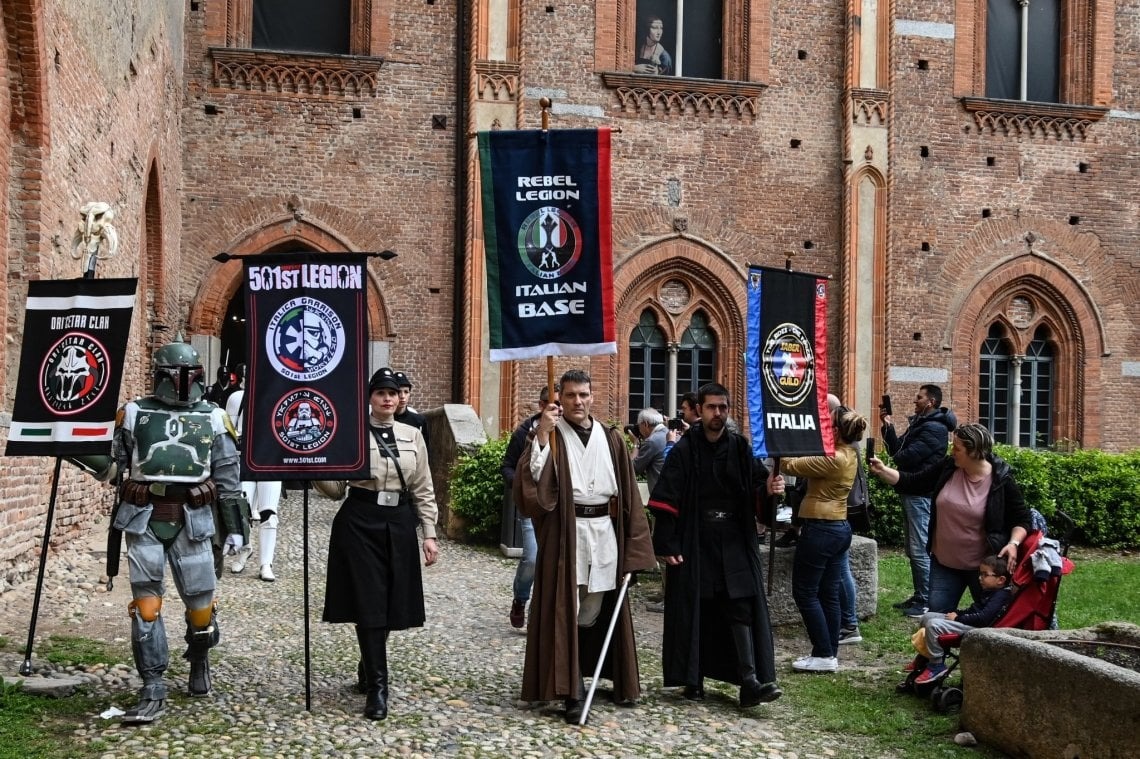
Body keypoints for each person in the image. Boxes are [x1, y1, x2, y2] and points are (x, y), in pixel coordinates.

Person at [66, 339, 248, 724]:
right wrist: (73, 448)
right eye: (175, 375)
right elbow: (115, 466)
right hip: (144, 514)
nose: (182, 382)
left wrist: (235, 528)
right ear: (160, 376)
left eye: (189, 374)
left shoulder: (214, 417)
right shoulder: (134, 413)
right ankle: (152, 684)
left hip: (195, 519)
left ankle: (199, 659)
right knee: (146, 607)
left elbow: (228, 478)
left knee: (200, 608)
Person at [514, 369, 656, 724]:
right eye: (571, 395)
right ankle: (571, 688)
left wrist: (634, 548)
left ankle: (580, 672)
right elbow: (534, 490)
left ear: (593, 397)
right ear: (559, 398)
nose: (578, 401)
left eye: (584, 395)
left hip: (604, 531)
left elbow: (629, 498)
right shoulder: (550, 436)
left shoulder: (611, 439)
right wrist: (543, 434)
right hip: (568, 531)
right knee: (568, 604)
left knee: (592, 608)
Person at [647, 382, 784, 707]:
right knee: (699, 606)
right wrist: (667, 543)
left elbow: (755, 487)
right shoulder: (684, 448)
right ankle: (692, 679)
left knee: (740, 604)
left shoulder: (738, 446)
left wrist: (768, 487)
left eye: (723, 408)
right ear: (701, 409)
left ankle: (750, 681)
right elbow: (667, 495)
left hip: (735, 538)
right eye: (712, 407)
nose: (718, 413)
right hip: (696, 539)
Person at [315, 367, 439, 721]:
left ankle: (367, 663)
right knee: (369, 600)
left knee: (390, 602)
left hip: (398, 522)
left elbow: (423, 487)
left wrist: (429, 533)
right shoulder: (351, 433)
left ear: (400, 398)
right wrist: (315, 468)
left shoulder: (413, 435)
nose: (388, 398)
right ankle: (377, 688)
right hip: (359, 520)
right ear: (370, 397)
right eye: (380, 392)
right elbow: (336, 489)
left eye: (393, 393)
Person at [869, 423, 1030, 616]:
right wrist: (883, 470)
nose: (952, 451)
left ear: (974, 451)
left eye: (957, 448)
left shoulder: (1001, 480)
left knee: (990, 621)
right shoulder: (948, 467)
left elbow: (1022, 518)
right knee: (936, 617)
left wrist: (1013, 542)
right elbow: (913, 481)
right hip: (944, 563)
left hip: (983, 568)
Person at [780, 405, 868, 673]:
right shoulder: (850, 454)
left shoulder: (834, 459)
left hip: (822, 529)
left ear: (838, 431)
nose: (823, 428)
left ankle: (822, 653)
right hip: (838, 528)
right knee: (829, 593)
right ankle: (828, 653)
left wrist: (781, 437)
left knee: (805, 592)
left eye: (828, 425)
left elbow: (789, 464)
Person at [879, 384, 957, 618]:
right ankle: (919, 594)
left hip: (921, 494)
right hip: (911, 490)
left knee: (920, 548)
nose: (915, 400)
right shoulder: (921, 424)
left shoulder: (934, 429)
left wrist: (898, 455)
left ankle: (925, 601)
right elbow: (896, 450)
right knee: (913, 548)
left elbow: (903, 457)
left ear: (930, 401)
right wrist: (888, 426)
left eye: (919, 397)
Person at [501, 384, 558, 629]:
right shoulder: (525, 431)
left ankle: (541, 614)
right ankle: (520, 598)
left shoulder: (567, 430)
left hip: (558, 506)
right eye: (553, 406)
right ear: (542, 406)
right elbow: (507, 466)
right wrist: (521, 485)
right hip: (531, 505)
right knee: (533, 558)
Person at [909, 554, 1014, 685]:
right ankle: (926, 656)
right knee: (927, 617)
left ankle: (936, 666)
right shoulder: (990, 591)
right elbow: (974, 610)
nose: (980, 578)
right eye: (980, 574)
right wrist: (958, 614)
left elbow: (983, 618)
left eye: (985, 575)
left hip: (978, 629)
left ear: (1001, 579)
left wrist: (958, 618)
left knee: (933, 625)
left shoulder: (1001, 596)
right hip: (970, 621)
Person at [225, 387, 284, 582]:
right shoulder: (238, 398)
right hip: (245, 459)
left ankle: (266, 563)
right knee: (242, 509)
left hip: (270, 460)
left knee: (269, 513)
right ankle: (244, 549)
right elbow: (229, 432)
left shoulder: (280, 394)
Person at [629, 408, 668, 493]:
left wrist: (636, 444)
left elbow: (632, 469)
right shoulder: (670, 434)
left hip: (660, 496)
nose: (639, 430)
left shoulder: (652, 441)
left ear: (646, 424)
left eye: (639, 426)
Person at [394, 370, 430, 452]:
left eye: (406, 392)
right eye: (399, 392)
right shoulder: (385, 419)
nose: (402, 396)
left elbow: (425, 450)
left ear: (409, 394)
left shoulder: (419, 421)